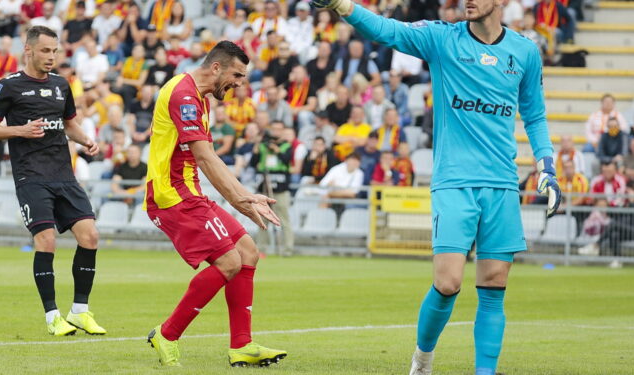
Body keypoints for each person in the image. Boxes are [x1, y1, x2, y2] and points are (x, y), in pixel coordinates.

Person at [314, 2, 558, 375]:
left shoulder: (524, 51)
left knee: (494, 284)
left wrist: (547, 166)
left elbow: (535, 115)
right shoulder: (442, 38)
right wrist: (342, 5)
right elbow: (388, 30)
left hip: (501, 183)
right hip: (454, 181)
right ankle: (423, 358)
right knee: (448, 282)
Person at [143, 40, 287, 367]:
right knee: (229, 262)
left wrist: (244, 196)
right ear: (216, 67)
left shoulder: (202, 99)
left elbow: (211, 158)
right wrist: (241, 199)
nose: (240, 83)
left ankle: (242, 345)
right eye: (237, 75)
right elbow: (205, 158)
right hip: (171, 195)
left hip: (189, 192)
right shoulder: (183, 96)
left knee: (247, 251)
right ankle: (167, 335)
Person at [0, 26, 106, 337]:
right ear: (29, 51)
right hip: (30, 175)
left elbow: (69, 123)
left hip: (63, 173)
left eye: (55, 51)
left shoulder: (62, 85)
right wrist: (21, 131)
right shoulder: (9, 86)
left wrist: (85, 140)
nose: (51, 57)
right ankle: (52, 315)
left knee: (90, 235)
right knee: (46, 239)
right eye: (46, 51)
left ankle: (79, 311)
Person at [251, 121, 295, 256]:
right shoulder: (263, 146)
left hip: (281, 189)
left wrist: (277, 151)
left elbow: (288, 160)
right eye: (274, 129)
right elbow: (254, 163)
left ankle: (287, 250)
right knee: (262, 219)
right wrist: (256, 149)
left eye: (279, 129)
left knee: (284, 219)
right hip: (265, 186)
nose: (276, 132)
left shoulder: (287, 146)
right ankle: (261, 249)